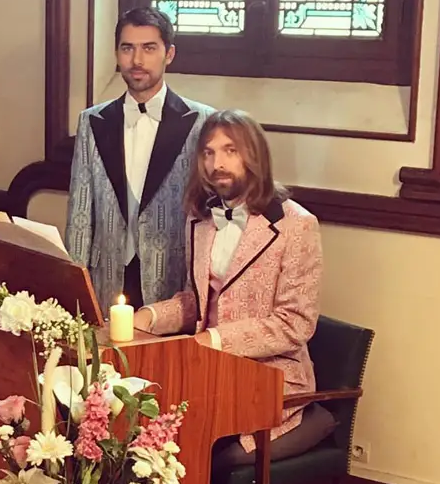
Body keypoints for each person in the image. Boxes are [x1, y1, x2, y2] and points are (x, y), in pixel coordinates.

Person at [134, 109, 336, 464]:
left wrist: (213, 341)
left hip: (271, 379)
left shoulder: (296, 225)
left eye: (230, 151)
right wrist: (148, 317)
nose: (217, 164)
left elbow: (295, 323)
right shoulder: (200, 218)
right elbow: (198, 300)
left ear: (254, 155)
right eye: (208, 153)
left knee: (183, 437)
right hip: (208, 370)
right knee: (139, 413)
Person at [65, 7, 214, 315]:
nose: (137, 60)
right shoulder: (92, 121)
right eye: (127, 48)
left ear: (169, 54)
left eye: (148, 48)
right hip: (107, 277)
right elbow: (80, 214)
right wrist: (75, 289)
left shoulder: (202, 122)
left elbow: (209, 216)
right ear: (116, 54)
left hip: (171, 282)